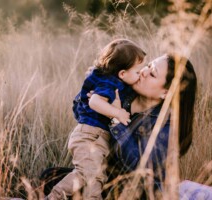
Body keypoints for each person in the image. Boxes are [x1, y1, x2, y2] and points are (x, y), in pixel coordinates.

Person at [40, 54, 198, 199]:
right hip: (103, 176)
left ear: (166, 92)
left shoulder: (165, 124)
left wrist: (115, 119)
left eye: (152, 73)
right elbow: (80, 112)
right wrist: (91, 100)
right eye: (148, 65)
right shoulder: (124, 90)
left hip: (132, 188)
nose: (143, 71)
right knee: (50, 177)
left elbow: (140, 167)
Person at [46, 39, 146, 200]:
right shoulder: (110, 82)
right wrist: (117, 113)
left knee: (90, 177)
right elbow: (94, 101)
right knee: (91, 178)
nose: (141, 75)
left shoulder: (114, 81)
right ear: (122, 73)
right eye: (137, 72)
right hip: (89, 136)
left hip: (96, 138)